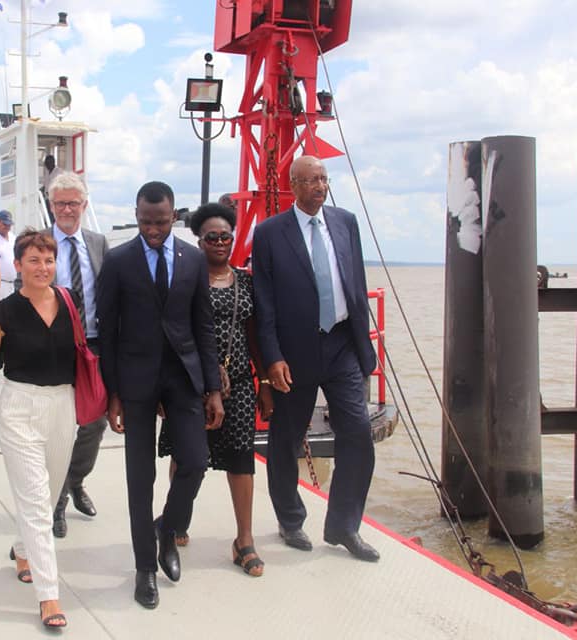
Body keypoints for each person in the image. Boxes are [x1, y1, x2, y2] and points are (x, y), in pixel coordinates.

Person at [97, 181, 224, 609]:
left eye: (161, 222)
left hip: (183, 377)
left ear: (174, 217)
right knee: (140, 478)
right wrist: (113, 393)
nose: (153, 230)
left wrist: (213, 388)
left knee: (196, 461)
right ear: (137, 216)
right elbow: (108, 333)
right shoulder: (118, 261)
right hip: (135, 380)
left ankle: (168, 529)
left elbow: (204, 326)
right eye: (145, 221)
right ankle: (144, 568)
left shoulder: (193, 259)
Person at [252, 155, 380, 563]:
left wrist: (362, 344)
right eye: (310, 180)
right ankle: (290, 520)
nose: (320, 186)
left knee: (358, 434)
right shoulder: (270, 233)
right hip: (294, 352)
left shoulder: (345, 222)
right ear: (293, 185)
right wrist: (272, 358)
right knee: (286, 440)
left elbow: (355, 281)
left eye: (324, 178)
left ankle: (344, 526)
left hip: (341, 345)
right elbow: (264, 302)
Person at [0, 229, 76, 629]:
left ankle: (22, 550)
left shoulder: (69, 301)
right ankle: (49, 596)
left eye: (49, 260)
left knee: (49, 495)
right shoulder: (1, 313)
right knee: (37, 502)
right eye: (34, 260)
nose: (42, 268)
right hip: (20, 409)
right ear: (18, 265)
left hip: (63, 406)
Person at [158, 202, 273, 576]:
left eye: (226, 236)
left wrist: (264, 382)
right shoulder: (184, 282)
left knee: (241, 460)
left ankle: (244, 540)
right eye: (212, 237)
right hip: (190, 384)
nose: (220, 242)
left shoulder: (245, 282)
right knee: (186, 456)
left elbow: (254, 336)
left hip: (237, 383)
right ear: (199, 240)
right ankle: (178, 520)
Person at [42, 172, 109, 539]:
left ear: (84, 205)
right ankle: (57, 501)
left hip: (94, 347)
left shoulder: (98, 243)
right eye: (60, 203)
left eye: (73, 203)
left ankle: (74, 480)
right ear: (51, 206)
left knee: (94, 423)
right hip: (55, 349)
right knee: (58, 428)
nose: (66, 209)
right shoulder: (38, 242)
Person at [0, 210, 17, 298]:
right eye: (4, 224)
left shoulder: (13, 237)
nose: (7, 227)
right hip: (0, 284)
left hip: (13, 283)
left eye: (9, 225)